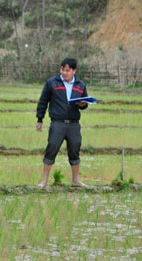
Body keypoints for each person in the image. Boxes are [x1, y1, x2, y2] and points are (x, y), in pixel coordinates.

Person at [36, 57, 90, 189]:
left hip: (73, 124)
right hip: (57, 123)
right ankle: (44, 181)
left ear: (74, 71)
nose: (64, 73)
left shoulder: (80, 85)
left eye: (67, 70)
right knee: (52, 147)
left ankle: (76, 180)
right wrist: (39, 119)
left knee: (75, 149)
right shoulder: (52, 83)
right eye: (62, 69)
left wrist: (82, 104)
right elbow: (43, 101)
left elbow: (84, 104)